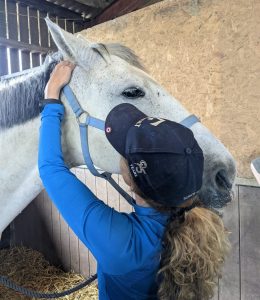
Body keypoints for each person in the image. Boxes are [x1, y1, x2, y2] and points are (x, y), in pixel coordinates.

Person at [38, 61, 230, 300]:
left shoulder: (123, 246)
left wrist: (51, 95)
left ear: (130, 179)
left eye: (125, 150)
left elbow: (50, 169)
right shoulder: (205, 223)